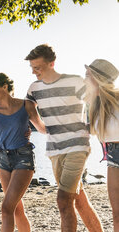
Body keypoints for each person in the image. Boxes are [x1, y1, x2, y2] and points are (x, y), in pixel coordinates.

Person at [25, 44, 103, 232]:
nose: (34, 72)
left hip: (77, 145)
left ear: (52, 63)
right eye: (32, 68)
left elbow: (97, 100)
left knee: (63, 200)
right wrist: (40, 127)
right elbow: (29, 106)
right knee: (78, 200)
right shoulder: (34, 88)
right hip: (54, 149)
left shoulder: (75, 82)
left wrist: (91, 126)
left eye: (38, 67)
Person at [0, 73, 46, 232]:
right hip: (3, 159)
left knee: (6, 208)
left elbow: (42, 128)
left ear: (5, 87)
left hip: (23, 157)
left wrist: (65, 126)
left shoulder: (26, 105)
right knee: (16, 208)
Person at [84, 59, 119, 231]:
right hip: (113, 160)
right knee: (117, 213)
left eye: (87, 76)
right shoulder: (96, 106)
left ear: (98, 79)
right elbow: (90, 130)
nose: (84, 80)